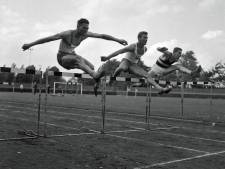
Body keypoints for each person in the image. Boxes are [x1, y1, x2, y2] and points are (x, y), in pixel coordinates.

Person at [22, 18, 128, 96]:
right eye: (83, 28)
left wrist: (117, 40)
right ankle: (95, 76)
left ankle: (96, 84)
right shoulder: (67, 34)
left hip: (72, 56)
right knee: (79, 60)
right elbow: (48, 39)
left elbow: (102, 36)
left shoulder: (85, 34)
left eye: (87, 28)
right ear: (77, 27)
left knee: (91, 66)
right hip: (62, 58)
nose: (86, 30)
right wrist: (30, 44)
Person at [101, 31, 172, 94]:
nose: (146, 39)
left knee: (147, 75)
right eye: (144, 37)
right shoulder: (132, 46)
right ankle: (112, 79)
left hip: (133, 64)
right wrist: (107, 57)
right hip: (125, 61)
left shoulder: (145, 49)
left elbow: (136, 58)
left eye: (147, 38)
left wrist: (136, 70)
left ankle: (161, 88)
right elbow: (119, 52)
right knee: (123, 67)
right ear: (139, 38)